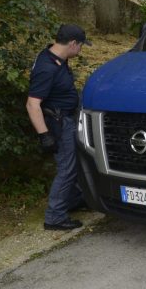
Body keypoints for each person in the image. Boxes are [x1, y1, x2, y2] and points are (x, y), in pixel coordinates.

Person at [26, 24, 91, 230]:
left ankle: (72, 201)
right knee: (67, 169)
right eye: (80, 45)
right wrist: (44, 135)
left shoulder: (57, 57)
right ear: (72, 43)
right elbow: (32, 104)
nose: (80, 50)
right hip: (59, 123)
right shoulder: (47, 68)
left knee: (74, 165)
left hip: (66, 118)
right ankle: (54, 217)